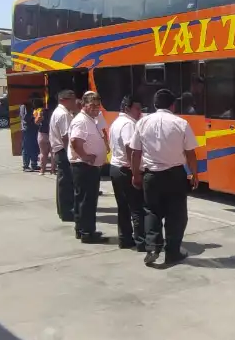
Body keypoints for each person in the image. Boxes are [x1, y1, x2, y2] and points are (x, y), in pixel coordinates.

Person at [129, 89, 199, 267]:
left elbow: (136, 152)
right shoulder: (181, 123)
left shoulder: (142, 122)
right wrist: (194, 174)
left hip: (151, 175)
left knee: (152, 211)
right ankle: (173, 252)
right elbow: (191, 153)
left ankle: (152, 247)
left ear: (154, 105)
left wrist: (135, 174)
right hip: (175, 175)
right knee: (176, 214)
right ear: (173, 105)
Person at [69, 91, 108, 244]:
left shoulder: (90, 119)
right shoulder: (81, 121)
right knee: (87, 200)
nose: (96, 108)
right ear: (84, 105)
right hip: (84, 166)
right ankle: (87, 232)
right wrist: (85, 156)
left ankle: (81, 229)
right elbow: (75, 141)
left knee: (83, 199)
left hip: (87, 166)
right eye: (92, 105)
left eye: (98, 105)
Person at [109, 95, 145, 250]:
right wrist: (135, 171)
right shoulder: (129, 124)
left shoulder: (116, 122)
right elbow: (130, 148)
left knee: (123, 207)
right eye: (137, 109)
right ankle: (141, 241)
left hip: (116, 167)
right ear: (127, 108)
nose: (140, 112)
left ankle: (124, 238)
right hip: (126, 169)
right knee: (137, 207)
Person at [49, 90, 78, 223]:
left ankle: (64, 211)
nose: (74, 102)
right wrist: (71, 154)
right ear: (63, 100)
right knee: (66, 183)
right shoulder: (63, 114)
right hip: (63, 151)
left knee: (63, 182)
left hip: (59, 150)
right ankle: (67, 212)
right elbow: (66, 137)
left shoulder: (60, 112)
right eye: (71, 99)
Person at [21, 96, 41, 172]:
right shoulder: (24, 106)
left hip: (34, 129)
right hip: (27, 130)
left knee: (35, 147)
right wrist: (34, 115)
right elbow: (25, 118)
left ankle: (34, 164)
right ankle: (25, 165)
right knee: (27, 148)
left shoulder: (35, 107)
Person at [37, 101, 55, 176]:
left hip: (42, 134)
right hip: (52, 134)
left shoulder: (41, 111)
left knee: (43, 153)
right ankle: (53, 170)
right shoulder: (56, 112)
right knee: (53, 153)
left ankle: (42, 170)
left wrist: (39, 116)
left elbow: (37, 122)